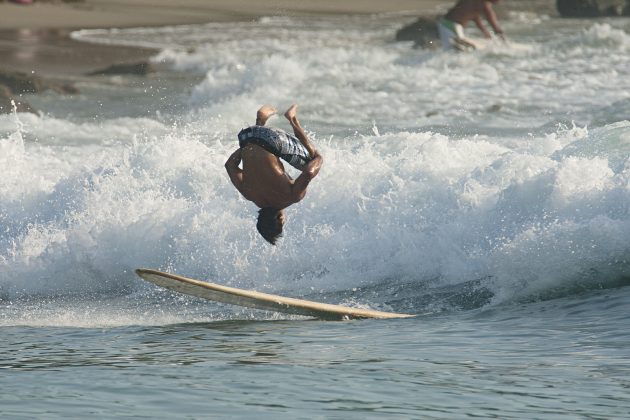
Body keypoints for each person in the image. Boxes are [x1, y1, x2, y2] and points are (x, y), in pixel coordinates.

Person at [225, 104, 323, 245]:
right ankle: (260, 121)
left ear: (280, 219)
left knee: (311, 161)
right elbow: (229, 165)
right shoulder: (248, 194)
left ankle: (292, 118)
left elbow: (308, 172)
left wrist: (319, 158)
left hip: (270, 139)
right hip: (246, 136)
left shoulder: (291, 196)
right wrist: (245, 147)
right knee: (258, 149)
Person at [438, 0, 505, 51]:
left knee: (454, 48)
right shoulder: (483, 5)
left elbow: (475, 16)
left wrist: (484, 31)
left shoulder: (479, 3)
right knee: (453, 49)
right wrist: (504, 42)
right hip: (451, 25)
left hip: (448, 24)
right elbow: (494, 26)